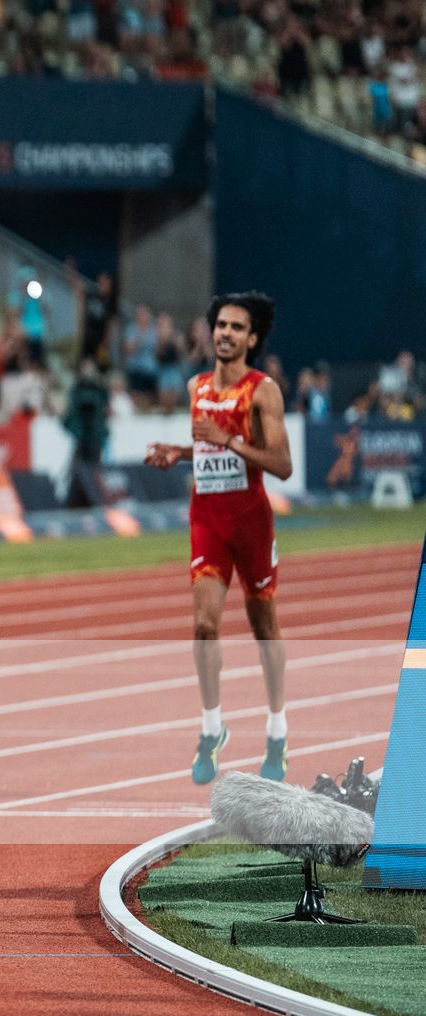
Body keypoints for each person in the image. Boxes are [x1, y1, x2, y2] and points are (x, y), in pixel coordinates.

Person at [145, 292, 293, 785]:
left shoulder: (263, 391)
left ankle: (277, 731)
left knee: (264, 629)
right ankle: (212, 729)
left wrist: (228, 438)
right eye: (221, 325)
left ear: (252, 338)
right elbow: (209, 448)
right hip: (207, 516)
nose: (226, 333)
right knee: (204, 626)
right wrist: (178, 451)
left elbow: (282, 466)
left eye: (237, 327)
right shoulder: (196, 385)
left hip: (251, 519)